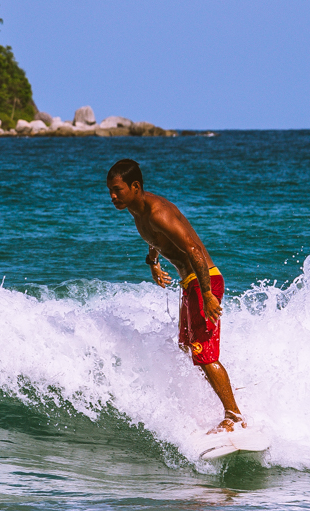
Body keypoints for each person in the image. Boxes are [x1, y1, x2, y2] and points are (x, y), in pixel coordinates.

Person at [105, 158, 246, 434]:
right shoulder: (138, 211)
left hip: (204, 281)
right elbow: (155, 238)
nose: (112, 196)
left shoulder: (157, 212)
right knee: (187, 345)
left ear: (135, 187)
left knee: (203, 354)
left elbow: (193, 249)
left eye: (117, 190)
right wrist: (153, 262)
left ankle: (234, 415)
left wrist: (207, 294)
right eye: (109, 190)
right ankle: (224, 391)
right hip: (190, 283)